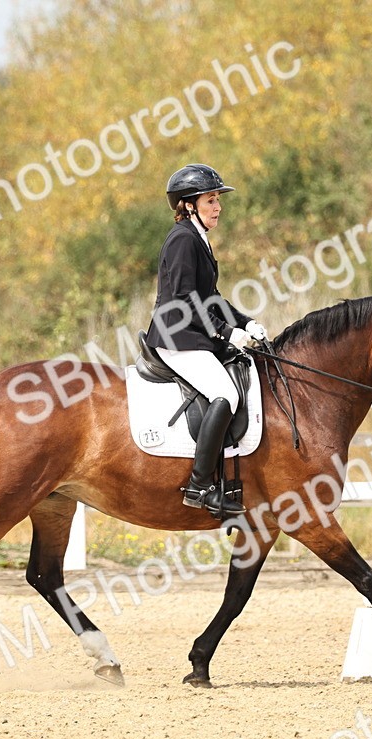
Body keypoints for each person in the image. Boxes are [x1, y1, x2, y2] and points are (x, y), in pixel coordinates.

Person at [144, 164, 268, 517]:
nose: (218, 207)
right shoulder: (183, 239)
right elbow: (184, 299)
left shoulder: (197, 237)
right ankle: (200, 486)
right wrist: (228, 333)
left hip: (192, 332)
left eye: (217, 200)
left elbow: (211, 297)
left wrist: (247, 322)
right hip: (176, 336)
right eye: (211, 200)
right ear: (188, 204)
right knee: (225, 393)